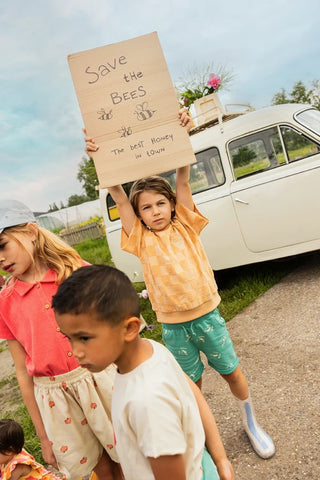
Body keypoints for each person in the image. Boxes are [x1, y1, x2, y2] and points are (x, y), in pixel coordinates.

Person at [83, 108, 275, 459]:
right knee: (191, 387)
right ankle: (200, 437)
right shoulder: (139, 239)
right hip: (174, 327)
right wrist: (101, 158)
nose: (154, 210)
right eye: (146, 207)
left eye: (161, 203)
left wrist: (181, 136)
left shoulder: (186, 225)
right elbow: (119, 195)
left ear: (172, 206)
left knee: (232, 373)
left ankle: (251, 420)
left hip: (207, 317)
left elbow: (183, 179)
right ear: (138, 215)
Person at [52, 264, 234, 480]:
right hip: (199, 464)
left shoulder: (147, 401)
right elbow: (193, 393)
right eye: (68, 338)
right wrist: (220, 458)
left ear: (129, 328)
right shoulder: (151, 348)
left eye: (84, 338)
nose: (76, 352)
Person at [0, 199, 122, 480]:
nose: (0, 258)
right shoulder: (5, 302)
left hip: (99, 380)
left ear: (31, 231)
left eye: (2, 245)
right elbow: (21, 371)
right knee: (100, 468)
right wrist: (43, 435)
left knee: (126, 454)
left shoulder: (74, 271)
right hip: (56, 400)